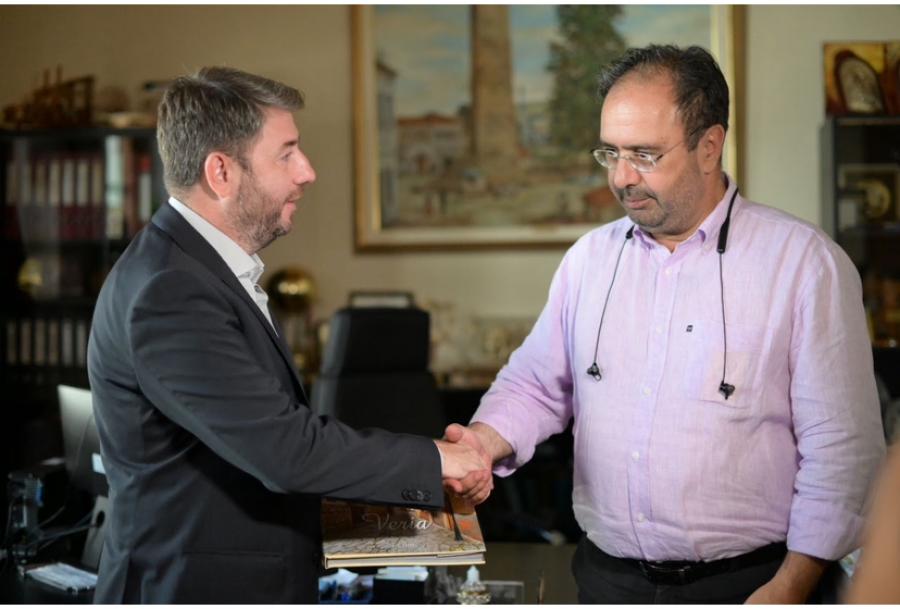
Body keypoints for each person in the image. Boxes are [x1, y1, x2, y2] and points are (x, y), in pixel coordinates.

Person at [446, 44, 886, 603]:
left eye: (645, 154)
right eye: (610, 152)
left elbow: (843, 449)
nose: (622, 177)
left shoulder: (804, 264)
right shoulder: (589, 260)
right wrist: (481, 443)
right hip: (606, 581)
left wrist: (791, 586)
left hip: (754, 584)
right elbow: (537, 385)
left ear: (709, 146)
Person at [86, 67, 490, 603]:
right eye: (287, 154)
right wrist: (438, 460)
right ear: (221, 172)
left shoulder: (193, 269)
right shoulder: (172, 290)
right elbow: (285, 449)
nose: (308, 171)